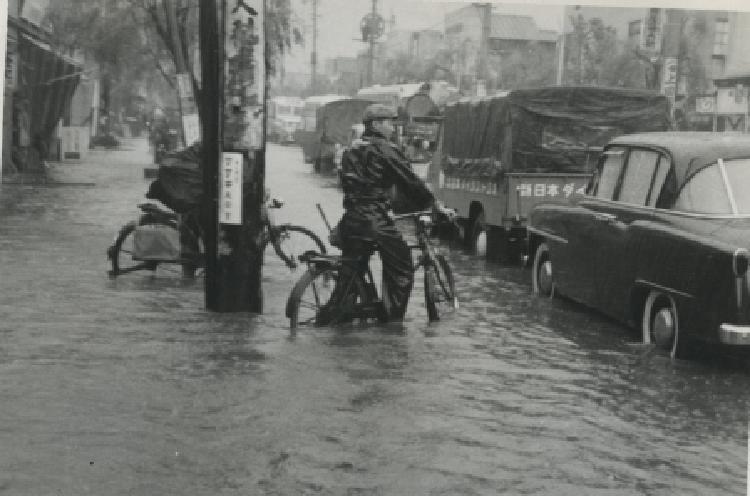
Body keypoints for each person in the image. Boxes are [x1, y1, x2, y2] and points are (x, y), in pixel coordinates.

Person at [321, 103, 448, 324]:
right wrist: (433, 204)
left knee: (350, 272)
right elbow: (410, 181)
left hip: (351, 220)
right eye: (389, 122)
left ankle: (338, 317)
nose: (392, 127)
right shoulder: (385, 149)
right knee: (402, 268)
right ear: (377, 124)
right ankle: (392, 322)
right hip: (374, 220)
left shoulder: (351, 149)